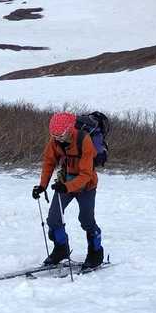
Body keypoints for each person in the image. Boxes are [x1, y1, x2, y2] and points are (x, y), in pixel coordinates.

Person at [32, 112, 104, 269]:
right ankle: (61, 249)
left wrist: (67, 187)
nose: (57, 138)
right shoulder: (55, 141)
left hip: (86, 186)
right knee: (53, 219)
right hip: (65, 182)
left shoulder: (84, 140)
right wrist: (42, 186)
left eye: (60, 135)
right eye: (54, 135)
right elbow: (49, 162)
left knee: (86, 220)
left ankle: (96, 252)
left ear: (70, 129)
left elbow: (86, 174)